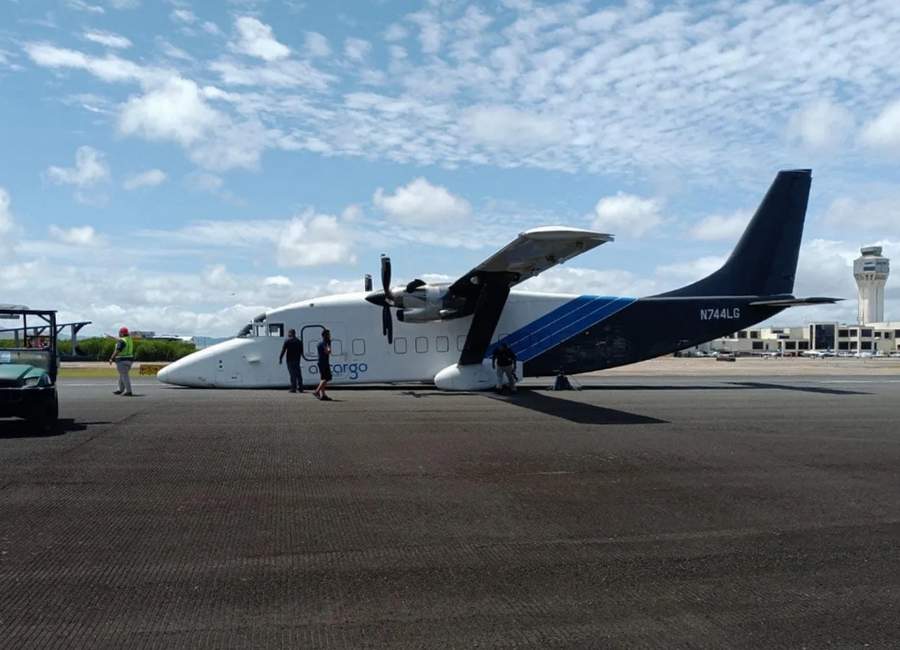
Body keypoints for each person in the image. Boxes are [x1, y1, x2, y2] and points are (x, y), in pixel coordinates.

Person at [109, 326, 135, 396]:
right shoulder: (129, 339)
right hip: (129, 360)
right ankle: (120, 390)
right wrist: (112, 338)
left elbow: (118, 350)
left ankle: (129, 391)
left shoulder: (122, 341)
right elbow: (120, 340)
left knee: (124, 376)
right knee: (122, 375)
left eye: (120, 333)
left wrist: (111, 358)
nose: (119, 334)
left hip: (122, 361)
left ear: (122, 334)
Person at [278, 328, 303, 393]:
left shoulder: (287, 341)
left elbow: (283, 350)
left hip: (290, 360)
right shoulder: (299, 341)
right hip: (297, 360)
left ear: (290, 333)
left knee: (292, 375)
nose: (288, 334)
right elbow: (301, 351)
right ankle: (300, 388)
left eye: (289, 333)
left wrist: (280, 358)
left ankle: (293, 388)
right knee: (298, 374)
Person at [313, 329, 333, 401]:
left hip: (321, 362)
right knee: (326, 378)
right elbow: (327, 352)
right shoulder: (325, 343)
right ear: (325, 335)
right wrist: (329, 346)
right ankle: (317, 391)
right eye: (329, 334)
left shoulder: (320, 343)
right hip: (324, 363)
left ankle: (323, 395)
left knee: (323, 378)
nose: (330, 335)